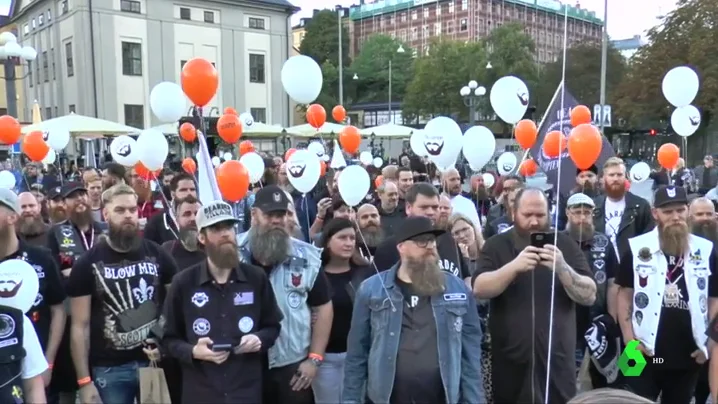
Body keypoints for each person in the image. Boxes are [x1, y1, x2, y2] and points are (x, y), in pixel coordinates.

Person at [343, 216, 484, 404]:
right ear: (401, 247)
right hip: (386, 397)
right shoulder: (371, 290)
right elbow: (356, 355)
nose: (430, 247)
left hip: (442, 397)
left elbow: (471, 356)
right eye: (421, 241)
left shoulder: (458, 289)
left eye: (433, 241)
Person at [473, 188, 596, 404]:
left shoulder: (565, 245)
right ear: (513, 213)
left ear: (549, 214)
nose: (533, 222)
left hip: (557, 363)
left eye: (540, 215)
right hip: (510, 363)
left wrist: (562, 268)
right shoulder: (496, 245)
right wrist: (513, 268)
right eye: (527, 215)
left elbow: (589, 295)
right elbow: (479, 288)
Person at [66, 183, 178, 404]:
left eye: (132, 210)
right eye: (120, 210)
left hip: (152, 362)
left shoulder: (158, 254)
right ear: (105, 214)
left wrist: (161, 342)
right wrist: (84, 381)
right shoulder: (87, 263)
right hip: (109, 369)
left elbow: (174, 306)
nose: (128, 215)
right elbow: (80, 327)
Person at [162, 200, 283, 403]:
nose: (226, 233)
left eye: (229, 227)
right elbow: (167, 339)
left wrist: (259, 339)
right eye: (216, 229)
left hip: (245, 391)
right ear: (202, 236)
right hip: (201, 392)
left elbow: (273, 326)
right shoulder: (183, 283)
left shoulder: (256, 278)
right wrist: (193, 351)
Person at [616, 185, 718, 403]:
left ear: (688, 210)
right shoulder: (635, 248)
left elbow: (714, 298)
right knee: (632, 400)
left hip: (688, 354)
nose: (675, 217)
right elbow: (623, 294)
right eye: (668, 212)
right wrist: (628, 339)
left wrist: (708, 342)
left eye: (680, 210)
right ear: (655, 214)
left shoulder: (706, 249)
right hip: (639, 349)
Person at [237, 185, 333, 404]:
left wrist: (314, 359)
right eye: (270, 214)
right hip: (243, 365)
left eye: (281, 214)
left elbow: (323, 306)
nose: (277, 221)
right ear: (254, 215)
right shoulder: (232, 253)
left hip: (291, 368)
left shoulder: (307, 257)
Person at [0, 189, 67, 402]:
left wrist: (48, 362)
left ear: (12, 216)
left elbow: (58, 310)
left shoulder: (42, 258)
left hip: (35, 368)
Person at [562, 192, 620, 388]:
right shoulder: (557, 242)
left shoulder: (604, 242)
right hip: (566, 320)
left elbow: (613, 282)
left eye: (586, 213)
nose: (582, 218)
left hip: (598, 320)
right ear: (567, 213)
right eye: (577, 212)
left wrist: (612, 318)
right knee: (568, 378)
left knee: (600, 377)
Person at [312, 218, 373, 403]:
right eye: (342, 238)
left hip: (358, 358)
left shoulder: (365, 273)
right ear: (328, 241)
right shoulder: (315, 274)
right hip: (325, 359)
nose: (348, 243)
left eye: (352, 238)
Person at [373, 183, 471, 282]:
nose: (430, 212)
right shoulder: (389, 248)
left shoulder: (449, 239)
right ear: (408, 208)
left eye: (435, 207)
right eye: (424, 207)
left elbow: (465, 277)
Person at [592, 157, 654, 261]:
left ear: (625, 177)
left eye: (619, 174)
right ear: (603, 178)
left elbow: (648, 238)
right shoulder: (594, 206)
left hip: (631, 263)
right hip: (601, 264)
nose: (615, 179)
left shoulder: (641, 206)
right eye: (611, 175)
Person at [144, 173, 197, 245]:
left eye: (192, 189)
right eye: (183, 190)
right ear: (173, 194)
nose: (189, 193)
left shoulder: (203, 217)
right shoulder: (156, 222)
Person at [161, 195, 206, 269]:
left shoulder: (215, 249)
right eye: (187, 214)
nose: (193, 218)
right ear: (177, 220)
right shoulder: (167, 251)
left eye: (197, 214)